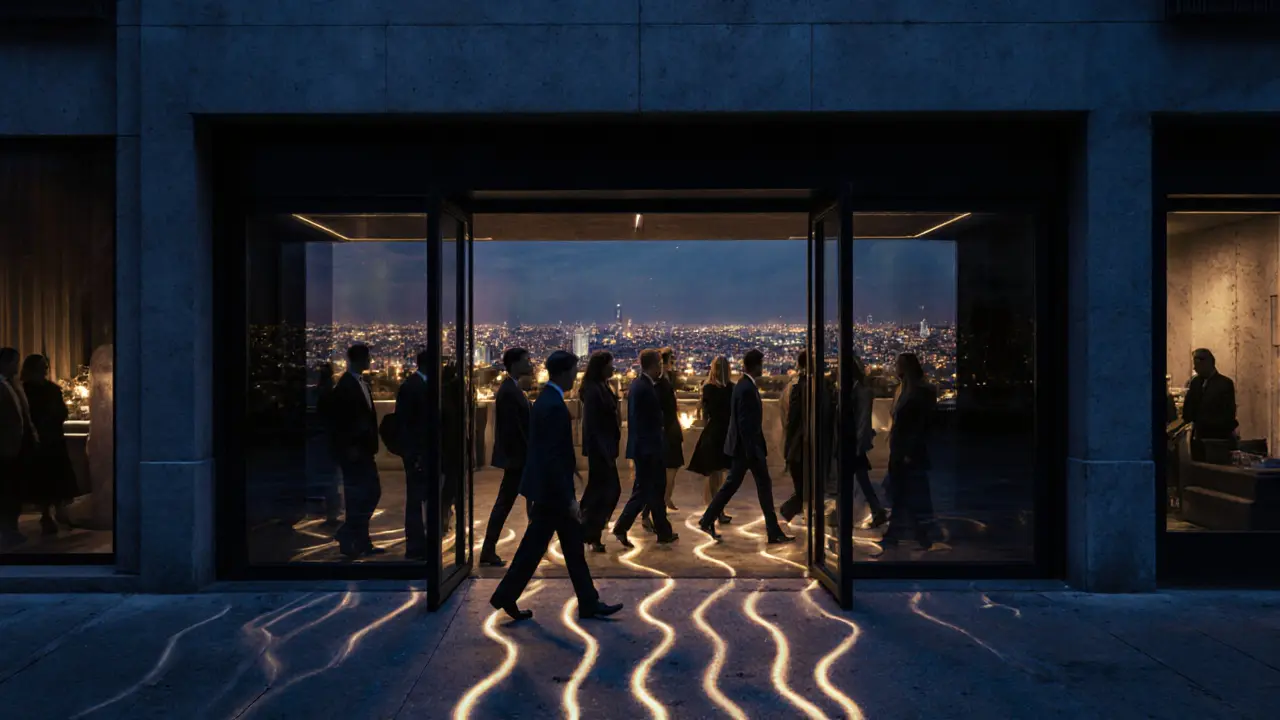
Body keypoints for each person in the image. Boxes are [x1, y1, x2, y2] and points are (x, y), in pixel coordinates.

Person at [489, 351, 623, 622]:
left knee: (559, 549)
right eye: (574, 371)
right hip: (554, 496)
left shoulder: (546, 401)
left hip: (549, 493)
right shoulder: (553, 406)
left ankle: (587, 602)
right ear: (563, 372)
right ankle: (586, 602)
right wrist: (569, 498)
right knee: (544, 550)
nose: (577, 376)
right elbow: (554, 456)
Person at [699, 349, 793, 544]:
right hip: (748, 450)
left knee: (737, 486)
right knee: (757, 487)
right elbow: (745, 423)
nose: (763, 368)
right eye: (762, 364)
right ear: (756, 366)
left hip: (745, 449)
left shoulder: (742, 386)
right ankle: (772, 531)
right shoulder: (746, 388)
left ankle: (708, 519)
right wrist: (753, 452)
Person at [614, 348, 678, 547]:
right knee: (645, 491)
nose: (661, 367)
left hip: (646, 447)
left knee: (654, 490)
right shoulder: (644, 388)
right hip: (648, 449)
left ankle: (663, 531)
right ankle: (621, 527)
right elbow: (650, 419)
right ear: (653, 365)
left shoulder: (639, 385)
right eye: (659, 364)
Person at [882, 352, 944, 551]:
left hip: (907, 452)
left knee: (902, 494)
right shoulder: (904, 391)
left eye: (898, 364)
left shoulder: (919, 392)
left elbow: (920, 425)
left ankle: (905, 536)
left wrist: (909, 451)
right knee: (903, 494)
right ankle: (918, 536)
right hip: (900, 449)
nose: (895, 368)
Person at [328, 344, 383, 559]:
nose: (370, 361)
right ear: (358, 360)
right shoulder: (345, 387)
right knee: (361, 495)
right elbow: (340, 422)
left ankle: (358, 539)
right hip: (354, 452)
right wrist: (349, 447)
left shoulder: (361, 384)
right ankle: (351, 535)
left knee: (366, 494)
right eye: (367, 358)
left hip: (363, 450)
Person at [481, 347, 534, 567]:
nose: (529, 363)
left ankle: (492, 549)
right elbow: (513, 429)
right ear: (514, 364)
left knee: (521, 503)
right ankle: (489, 550)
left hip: (519, 458)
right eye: (525, 360)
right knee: (506, 504)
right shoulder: (509, 391)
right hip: (518, 459)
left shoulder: (511, 388)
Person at [21, 355, 78, 536]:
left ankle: (57, 514)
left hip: (52, 439)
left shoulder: (50, 389)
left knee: (55, 479)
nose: (44, 370)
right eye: (41, 367)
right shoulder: (26, 390)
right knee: (44, 481)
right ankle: (48, 515)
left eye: (45, 366)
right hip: (39, 441)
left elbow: (62, 412)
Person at [579, 351, 622, 552]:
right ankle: (586, 528)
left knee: (598, 491)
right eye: (610, 364)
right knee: (607, 490)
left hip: (606, 449)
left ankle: (587, 529)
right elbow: (592, 425)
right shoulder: (593, 390)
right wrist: (603, 450)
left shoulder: (602, 387)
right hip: (601, 450)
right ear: (602, 367)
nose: (613, 368)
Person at [687, 356, 733, 523]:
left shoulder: (708, 389)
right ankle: (716, 510)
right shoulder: (731, 388)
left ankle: (714, 509)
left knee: (715, 474)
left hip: (714, 433)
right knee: (719, 475)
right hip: (724, 434)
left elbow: (706, 414)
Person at [394, 351, 431, 560]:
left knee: (420, 498)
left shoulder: (419, 384)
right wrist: (412, 454)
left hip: (423, 452)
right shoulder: (412, 386)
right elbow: (405, 423)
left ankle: (420, 542)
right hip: (418, 453)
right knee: (416, 499)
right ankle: (416, 546)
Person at [0, 347, 36, 549]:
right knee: (7, 491)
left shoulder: (13, 385)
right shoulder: (2, 387)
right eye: (14, 362)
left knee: (13, 490)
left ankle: (11, 529)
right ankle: (7, 531)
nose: (17, 366)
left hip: (15, 447)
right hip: (5, 449)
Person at [849, 355, 888, 528]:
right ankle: (876, 510)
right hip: (854, 443)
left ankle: (875, 510)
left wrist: (858, 445)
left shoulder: (861, 391)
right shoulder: (858, 389)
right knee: (861, 479)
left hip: (853, 443)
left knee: (859, 479)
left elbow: (862, 419)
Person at [1182, 348, 1238, 461]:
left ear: (1207, 363)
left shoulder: (1224, 384)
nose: (1195, 368)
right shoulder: (1195, 383)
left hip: (1217, 440)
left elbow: (1228, 414)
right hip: (1198, 438)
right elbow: (1188, 410)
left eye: (1197, 365)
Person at [779, 351, 808, 522]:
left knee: (802, 484)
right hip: (800, 443)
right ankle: (788, 511)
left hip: (797, 443)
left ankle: (791, 511)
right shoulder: (800, 386)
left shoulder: (794, 385)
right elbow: (792, 418)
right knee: (803, 486)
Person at [656, 348, 684, 512]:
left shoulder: (666, 381)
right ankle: (664, 499)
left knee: (672, 467)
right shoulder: (661, 383)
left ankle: (665, 498)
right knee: (668, 467)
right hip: (667, 431)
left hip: (671, 430)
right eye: (671, 362)